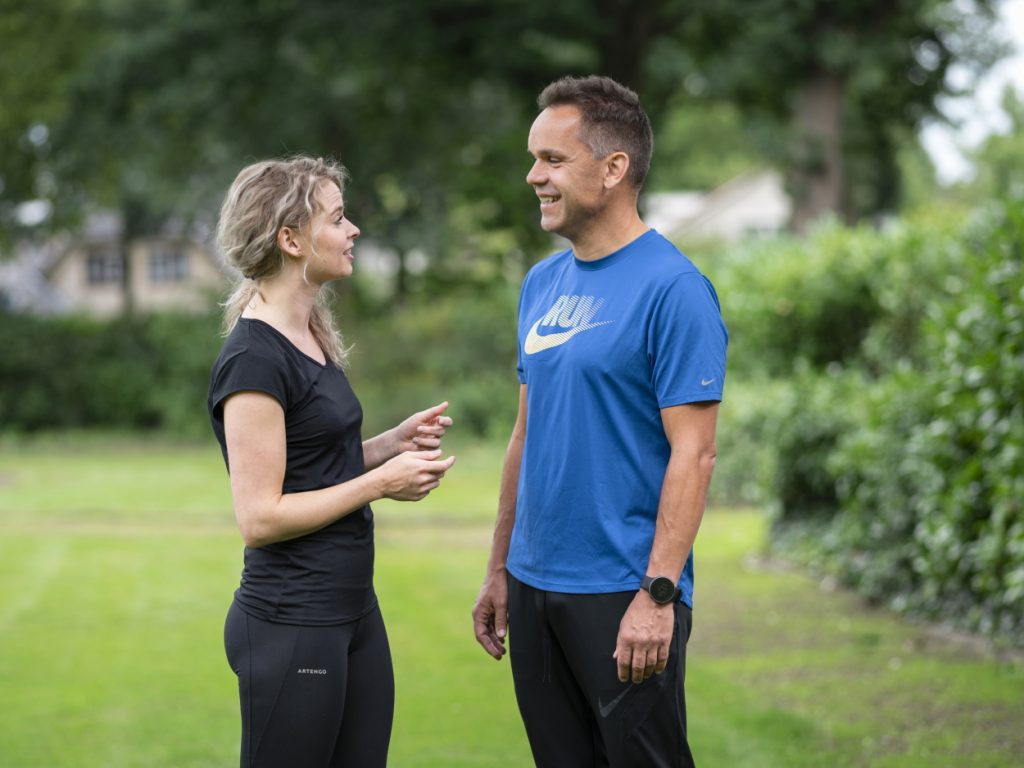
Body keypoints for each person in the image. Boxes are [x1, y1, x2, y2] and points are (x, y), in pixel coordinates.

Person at [472, 76, 727, 767]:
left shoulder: (675, 290)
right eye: (535, 159)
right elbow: (526, 436)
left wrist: (657, 596)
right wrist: (499, 568)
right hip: (533, 586)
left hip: (623, 590)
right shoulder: (540, 285)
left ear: (614, 169)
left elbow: (694, 454)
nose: (534, 177)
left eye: (553, 160)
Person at [207, 155, 456, 768]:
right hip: (293, 621)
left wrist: (389, 445)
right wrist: (376, 483)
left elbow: (315, 467)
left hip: (352, 610)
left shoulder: (312, 334)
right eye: (339, 218)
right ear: (291, 240)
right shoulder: (253, 362)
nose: (353, 232)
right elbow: (260, 516)